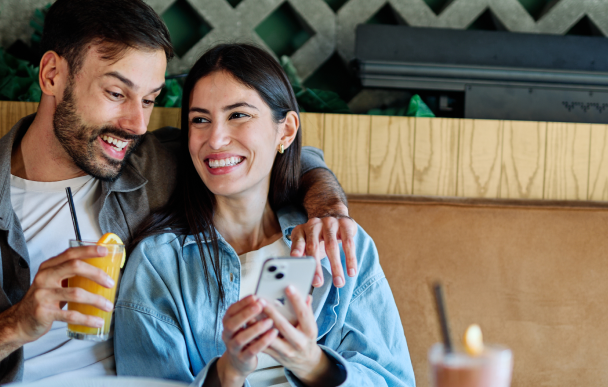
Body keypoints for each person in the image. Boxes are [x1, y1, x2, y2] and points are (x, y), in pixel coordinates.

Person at [0, 1, 357, 386]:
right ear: (52, 75)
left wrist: (328, 206)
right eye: (115, 92)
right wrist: (16, 324)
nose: (135, 123)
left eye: (149, 100)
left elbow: (270, 154)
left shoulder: (156, 165)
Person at [114, 44, 415, 387]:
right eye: (200, 120)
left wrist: (312, 364)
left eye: (238, 115)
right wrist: (229, 371)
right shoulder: (158, 263)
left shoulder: (339, 244)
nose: (216, 139)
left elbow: (393, 380)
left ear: (285, 131)